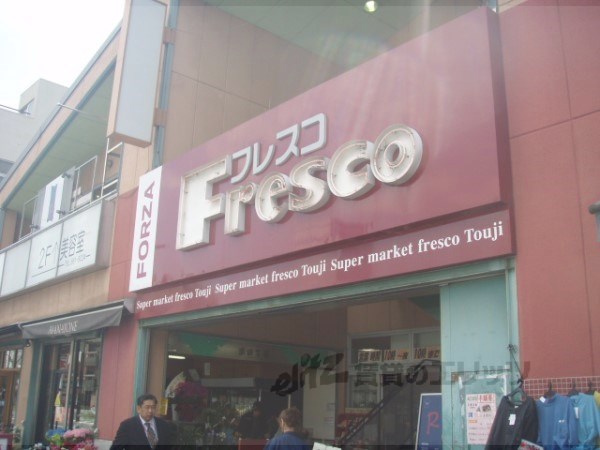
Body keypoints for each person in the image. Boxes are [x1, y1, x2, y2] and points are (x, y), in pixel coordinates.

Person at [110, 393, 175, 450]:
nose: (150, 411)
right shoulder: (127, 426)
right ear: (139, 409)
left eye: (153, 407)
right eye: (147, 407)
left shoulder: (164, 425)